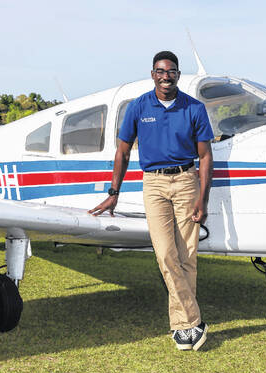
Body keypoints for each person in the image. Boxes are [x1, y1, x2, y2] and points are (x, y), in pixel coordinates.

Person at [89, 51, 214, 351]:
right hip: (154, 184)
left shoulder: (194, 108)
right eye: (160, 71)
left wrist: (203, 198)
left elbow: (206, 156)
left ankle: (182, 328)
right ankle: (193, 320)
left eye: (171, 71)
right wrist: (113, 193)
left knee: (187, 257)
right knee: (165, 255)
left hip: (186, 181)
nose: (165, 76)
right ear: (152, 73)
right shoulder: (138, 107)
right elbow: (122, 152)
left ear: (178, 75)